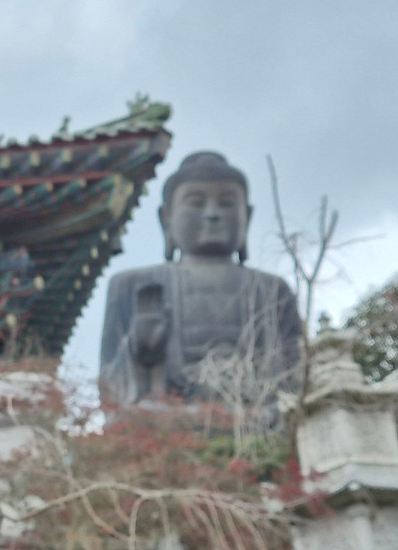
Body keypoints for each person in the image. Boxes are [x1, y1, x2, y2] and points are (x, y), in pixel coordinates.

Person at [99, 151, 302, 405]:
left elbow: (296, 376)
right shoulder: (132, 285)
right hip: (167, 418)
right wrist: (139, 349)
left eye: (227, 203)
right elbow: (109, 383)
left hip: (257, 417)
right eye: (196, 202)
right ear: (167, 218)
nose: (212, 213)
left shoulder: (272, 290)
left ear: (247, 217)